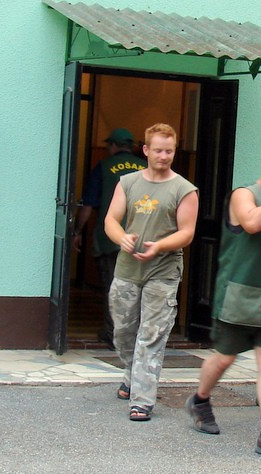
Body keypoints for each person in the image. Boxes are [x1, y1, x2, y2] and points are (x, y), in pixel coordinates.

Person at [185, 148, 261, 461]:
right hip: (241, 294)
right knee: (224, 358)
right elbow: (252, 224)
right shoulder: (244, 195)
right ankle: (200, 399)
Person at [104, 123, 199, 421]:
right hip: (128, 269)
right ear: (145, 150)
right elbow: (111, 220)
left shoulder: (184, 189)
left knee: (152, 335)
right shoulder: (128, 182)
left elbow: (187, 233)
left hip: (163, 271)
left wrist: (158, 247)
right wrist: (122, 238)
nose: (163, 156)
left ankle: (142, 399)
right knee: (123, 331)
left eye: (169, 151)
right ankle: (132, 376)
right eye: (158, 150)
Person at [72, 128, 147, 349]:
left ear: (113, 146)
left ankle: (113, 333)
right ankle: (136, 336)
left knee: (112, 287)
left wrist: (76, 231)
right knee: (139, 287)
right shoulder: (148, 169)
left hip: (110, 240)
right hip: (142, 240)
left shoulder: (103, 168)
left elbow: (88, 205)